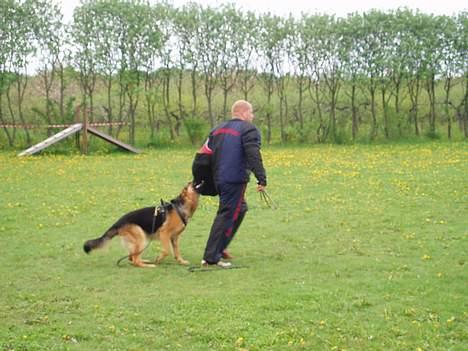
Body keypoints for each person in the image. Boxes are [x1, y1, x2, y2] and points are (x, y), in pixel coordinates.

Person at [199, 100, 267, 267]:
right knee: (227, 214)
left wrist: (202, 180)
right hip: (234, 179)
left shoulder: (217, 130)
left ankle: (220, 247)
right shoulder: (249, 129)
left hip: (219, 179)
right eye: (251, 113)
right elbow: (253, 154)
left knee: (240, 208)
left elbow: (203, 156)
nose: (252, 116)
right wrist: (261, 178)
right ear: (243, 112)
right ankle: (211, 257)